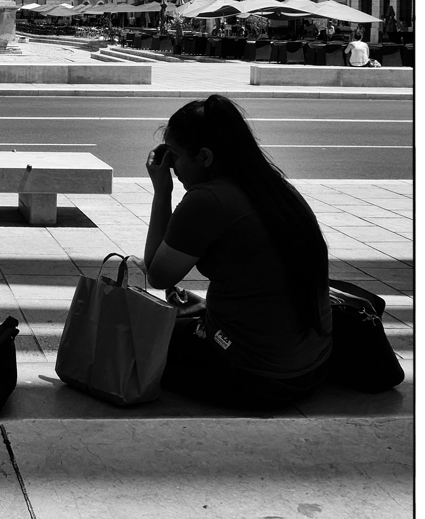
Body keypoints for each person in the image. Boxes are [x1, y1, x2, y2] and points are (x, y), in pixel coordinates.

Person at [142, 95, 332, 410]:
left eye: (172, 156)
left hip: (259, 378)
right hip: (314, 364)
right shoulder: (274, 188)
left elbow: (157, 274)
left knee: (137, 337)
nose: (170, 166)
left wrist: (162, 192)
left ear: (204, 157)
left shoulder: (207, 200)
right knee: (184, 317)